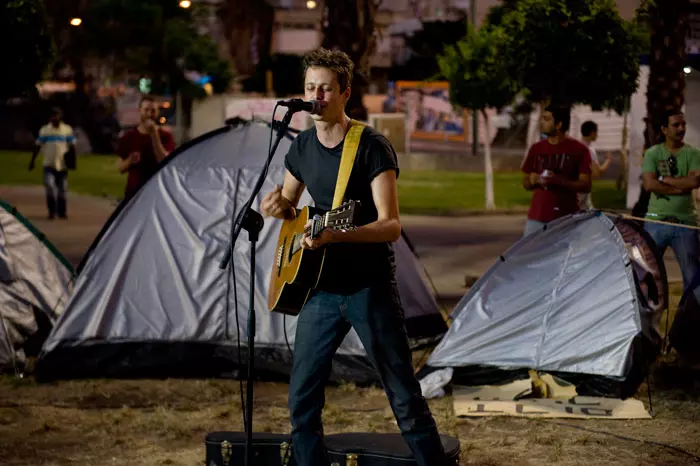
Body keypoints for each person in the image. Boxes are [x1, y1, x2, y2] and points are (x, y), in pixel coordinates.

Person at [260, 47, 448, 466]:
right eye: (310, 88)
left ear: (346, 92)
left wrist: (337, 233)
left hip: (368, 287)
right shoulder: (302, 146)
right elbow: (291, 207)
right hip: (318, 289)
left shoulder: (371, 146)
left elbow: (391, 225)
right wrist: (278, 209)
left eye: (325, 88)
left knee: (402, 394)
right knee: (302, 398)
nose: (316, 97)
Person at [641, 109, 700, 293]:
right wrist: (680, 187)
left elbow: (694, 182)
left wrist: (665, 180)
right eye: (676, 125)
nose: (681, 128)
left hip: (685, 223)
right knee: (645, 274)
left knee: (693, 278)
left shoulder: (693, 153)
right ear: (664, 129)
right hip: (655, 221)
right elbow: (649, 185)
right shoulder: (652, 153)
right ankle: (649, 316)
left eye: (683, 124)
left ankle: (689, 319)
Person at [521, 106, 592, 236]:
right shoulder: (536, 149)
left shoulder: (579, 150)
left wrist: (557, 181)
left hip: (566, 218)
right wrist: (532, 181)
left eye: (547, 119)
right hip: (537, 218)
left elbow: (586, 185)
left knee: (564, 256)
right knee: (532, 255)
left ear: (559, 124)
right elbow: (526, 182)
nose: (542, 122)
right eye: (542, 118)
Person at [116, 95, 175, 200]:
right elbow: (120, 168)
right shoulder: (129, 137)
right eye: (146, 110)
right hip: (134, 193)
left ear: (157, 112)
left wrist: (154, 134)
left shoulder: (165, 136)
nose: (149, 114)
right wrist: (130, 161)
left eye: (153, 111)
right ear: (140, 110)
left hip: (157, 192)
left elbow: (165, 161)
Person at [29, 108, 76, 219]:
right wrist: (32, 161)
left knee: (62, 190)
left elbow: (72, 145)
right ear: (50, 118)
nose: (55, 117)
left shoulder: (67, 129)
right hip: (48, 164)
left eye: (57, 115)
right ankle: (51, 211)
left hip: (62, 164)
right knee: (50, 187)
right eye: (53, 115)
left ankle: (62, 212)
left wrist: (73, 161)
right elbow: (37, 146)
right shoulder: (45, 130)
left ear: (61, 116)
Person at [578, 120, 613, 210]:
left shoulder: (575, 146)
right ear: (592, 133)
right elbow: (597, 173)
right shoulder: (589, 150)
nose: (597, 135)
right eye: (596, 132)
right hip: (583, 189)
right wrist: (608, 160)